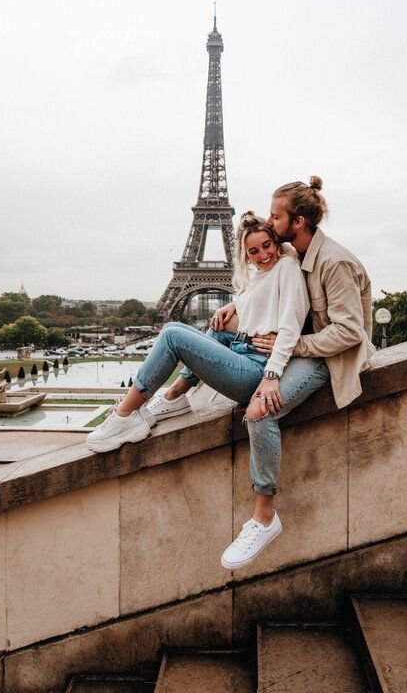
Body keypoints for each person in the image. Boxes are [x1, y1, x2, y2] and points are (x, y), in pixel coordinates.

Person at [157, 175, 375, 570]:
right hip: (293, 351)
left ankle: (264, 517)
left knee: (261, 412)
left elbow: (349, 332)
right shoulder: (292, 254)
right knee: (218, 330)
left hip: (325, 359)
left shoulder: (334, 261)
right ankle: (177, 393)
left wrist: (284, 347)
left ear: (299, 222)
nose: (270, 222)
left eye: (277, 216)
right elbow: (266, 290)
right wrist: (236, 309)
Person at [86, 211, 310, 567]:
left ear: (276, 242)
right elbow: (252, 311)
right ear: (244, 254)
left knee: (174, 333)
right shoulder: (256, 276)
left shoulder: (286, 268)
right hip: (242, 351)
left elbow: (291, 327)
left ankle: (126, 414)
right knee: (207, 326)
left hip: (255, 370)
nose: (263, 255)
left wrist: (271, 377)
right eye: (253, 251)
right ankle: (174, 396)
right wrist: (232, 306)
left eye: (267, 246)